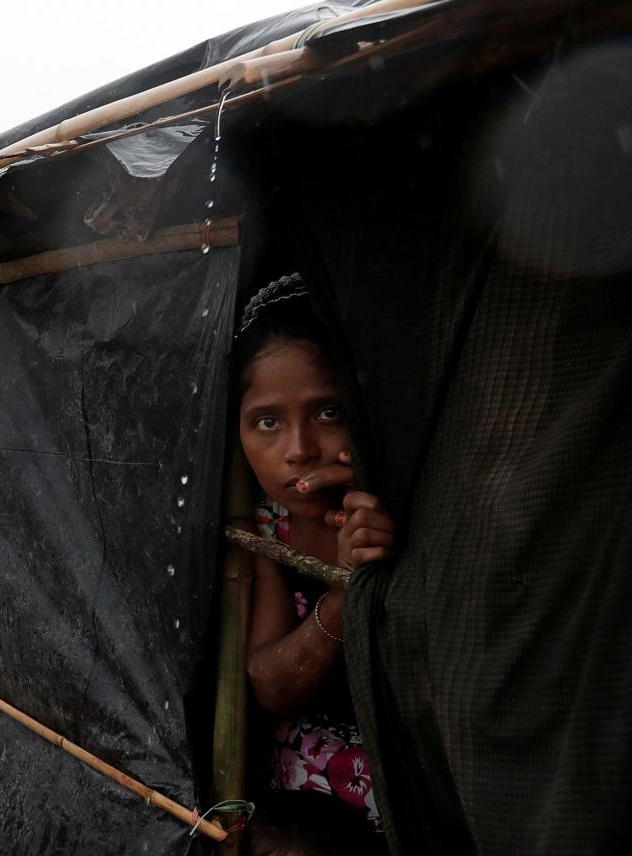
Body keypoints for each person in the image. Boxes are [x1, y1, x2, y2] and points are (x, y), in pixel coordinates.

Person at [232, 274, 395, 848]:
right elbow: (272, 685)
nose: (299, 448)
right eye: (268, 422)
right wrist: (348, 591)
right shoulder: (266, 529)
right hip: (305, 794)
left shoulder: (404, 509)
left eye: (328, 413)